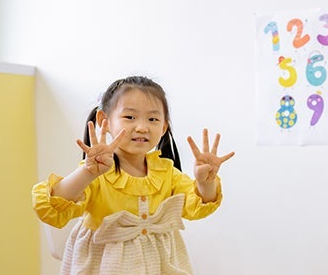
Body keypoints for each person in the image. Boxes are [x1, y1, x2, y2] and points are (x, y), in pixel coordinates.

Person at [32, 75, 235, 274]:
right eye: (130, 117)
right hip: (103, 265)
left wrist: (205, 182)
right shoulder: (97, 172)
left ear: (163, 127)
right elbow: (54, 207)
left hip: (160, 265)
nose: (142, 127)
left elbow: (197, 207)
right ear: (105, 121)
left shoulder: (166, 173)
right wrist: (86, 172)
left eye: (153, 119)